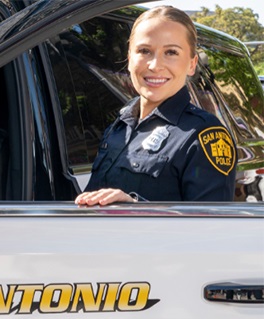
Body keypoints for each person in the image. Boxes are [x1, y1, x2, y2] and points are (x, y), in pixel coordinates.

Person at [75, 5, 236, 206]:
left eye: (171, 52)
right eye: (144, 51)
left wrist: (135, 207)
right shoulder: (120, 126)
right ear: (129, 58)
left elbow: (212, 229)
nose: (155, 65)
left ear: (192, 64)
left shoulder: (204, 136)